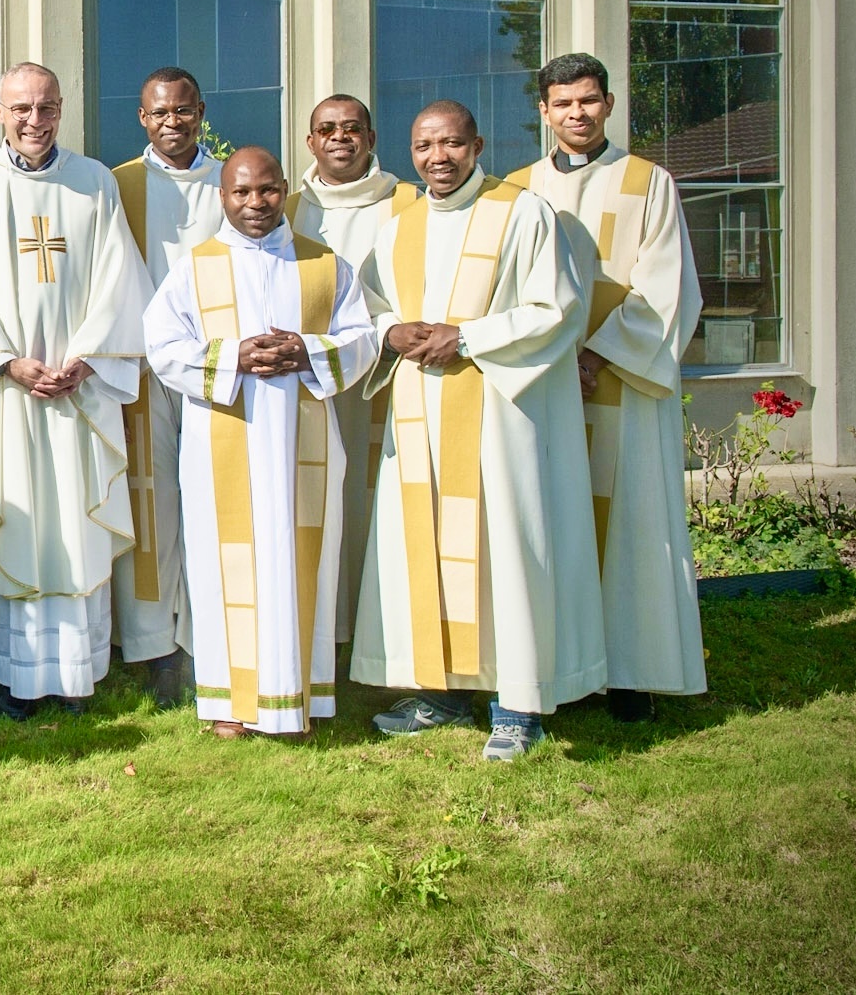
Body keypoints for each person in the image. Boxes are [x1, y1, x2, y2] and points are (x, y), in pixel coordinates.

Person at [351, 99, 606, 762]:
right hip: (422, 419)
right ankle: (443, 692)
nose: (439, 157)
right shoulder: (398, 227)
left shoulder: (523, 213)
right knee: (429, 549)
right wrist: (390, 332)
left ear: (478, 143)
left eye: (452, 144)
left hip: (498, 418)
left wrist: (470, 336)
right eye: (425, 145)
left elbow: (558, 309)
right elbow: (371, 309)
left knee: (503, 554)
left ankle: (517, 704)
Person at [0, 63, 152, 719]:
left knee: (71, 525)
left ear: (61, 108)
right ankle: (7, 673)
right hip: (3, 394)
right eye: (21, 108)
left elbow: (118, 282)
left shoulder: (93, 181)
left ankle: (74, 674)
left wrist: (84, 358)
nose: (35, 121)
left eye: (47, 107)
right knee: (12, 515)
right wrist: (4, 362)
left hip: (77, 393)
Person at [144, 147, 377, 737]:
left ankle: (298, 698)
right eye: (241, 192)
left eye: (268, 190)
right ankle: (229, 704)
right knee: (226, 567)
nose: (256, 203)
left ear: (284, 192)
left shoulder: (325, 266)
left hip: (305, 447)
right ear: (222, 197)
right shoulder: (196, 267)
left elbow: (362, 339)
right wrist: (232, 356)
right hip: (224, 441)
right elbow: (163, 347)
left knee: (302, 563)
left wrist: (308, 350)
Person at [508, 53, 706, 722]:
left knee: (631, 527)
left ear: (610, 104)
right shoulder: (515, 190)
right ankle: (555, 665)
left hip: (620, 383)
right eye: (563, 103)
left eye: (589, 101)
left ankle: (629, 670)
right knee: (548, 518)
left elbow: (667, 288)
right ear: (543, 110)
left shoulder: (649, 183)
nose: (577, 114)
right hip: (540, 382)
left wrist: (596, 354)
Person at [108, 67, 225, 704]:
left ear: (201, 112)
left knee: (211, 500)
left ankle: (209, 639)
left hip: (213, 370)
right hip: (145, 369)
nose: (172, 122)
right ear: (142, 117)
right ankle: (154, 648)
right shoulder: (119, 183)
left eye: (183, 111)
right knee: (150, 503)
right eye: (159, 113)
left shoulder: (230, 184)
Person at [284, 94, 419, 643]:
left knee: (379, 508)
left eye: (352, 128)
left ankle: (379, 635)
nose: (340, 138)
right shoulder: (287, 208)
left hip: (386, 382)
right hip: (303, 386)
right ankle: (320, 635)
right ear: (310, 142)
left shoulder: (412, 202)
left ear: (371, 138)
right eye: (327, 129)